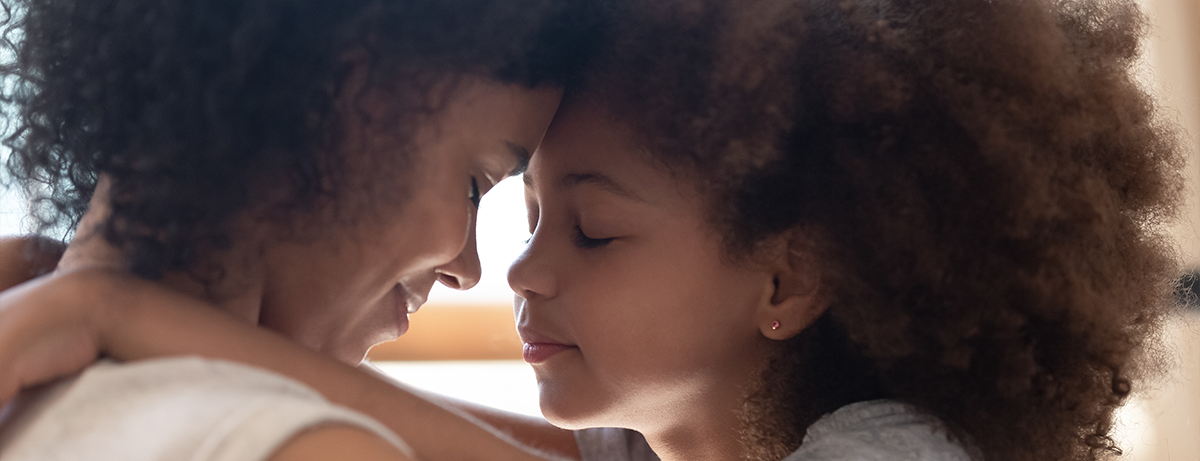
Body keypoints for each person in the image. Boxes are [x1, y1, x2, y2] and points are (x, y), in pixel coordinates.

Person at [0, 0, 1186, 460]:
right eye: (508, 200)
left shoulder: (901, 446)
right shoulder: (655, 440)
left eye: (597, 232)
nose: (508, 265)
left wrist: (124, 309)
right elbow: (411, 418)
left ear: (787, 278)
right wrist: (78, 275)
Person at [0, 0, 602, 459]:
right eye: (474, 184)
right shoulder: (312, 446)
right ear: (340, 99)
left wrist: (106, 305)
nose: (466, 269)